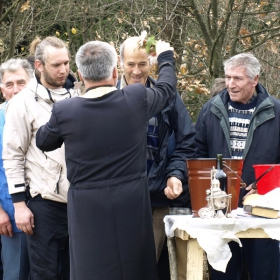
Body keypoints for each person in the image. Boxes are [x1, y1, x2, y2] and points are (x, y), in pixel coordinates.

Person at [36, 39, 177, 280]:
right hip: (131, 201)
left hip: (87, 208)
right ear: (115, 71)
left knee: (93, 270)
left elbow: (43, 141)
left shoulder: (65, 111)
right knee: (135, 269)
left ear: (79, 74)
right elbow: (166, 89)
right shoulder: (135, 98)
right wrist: (165, 58)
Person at [195, 53, 280, 280]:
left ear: (255, 80)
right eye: (228, 77)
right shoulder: (210, 109)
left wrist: (266, 188)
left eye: (238, 79)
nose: (231, 84)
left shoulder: (277, 112)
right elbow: (197, 153)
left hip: (263, 211)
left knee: (265, 273)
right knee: (224, 274)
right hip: (220, 210)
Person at [2, 36, 79, 279]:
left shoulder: (80, 97)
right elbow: (13, 155)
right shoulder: (22, 103)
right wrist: (19, 205)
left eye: (66, 63)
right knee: (45, 274)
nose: (63, 69)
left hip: (79, 203)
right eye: (56, 65)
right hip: (43, 203)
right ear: (39, 65)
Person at [118, 36, 197, 269]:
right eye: (131, 64)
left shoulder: (169, 97)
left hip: (157, 198)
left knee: (146, 267)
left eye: (142, 64)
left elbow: (187, 141)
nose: (136, 71)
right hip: (118, 199)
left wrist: (175, 174)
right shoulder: (108, 95)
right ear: (120, 62)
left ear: (151, 63)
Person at [0, 58, 32, 279]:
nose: (16, 90)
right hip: (9, 217)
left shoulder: (47, 115)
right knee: (16, 274)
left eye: (21, 82)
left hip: (47, 214)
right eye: (9, 84)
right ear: (2, 90)